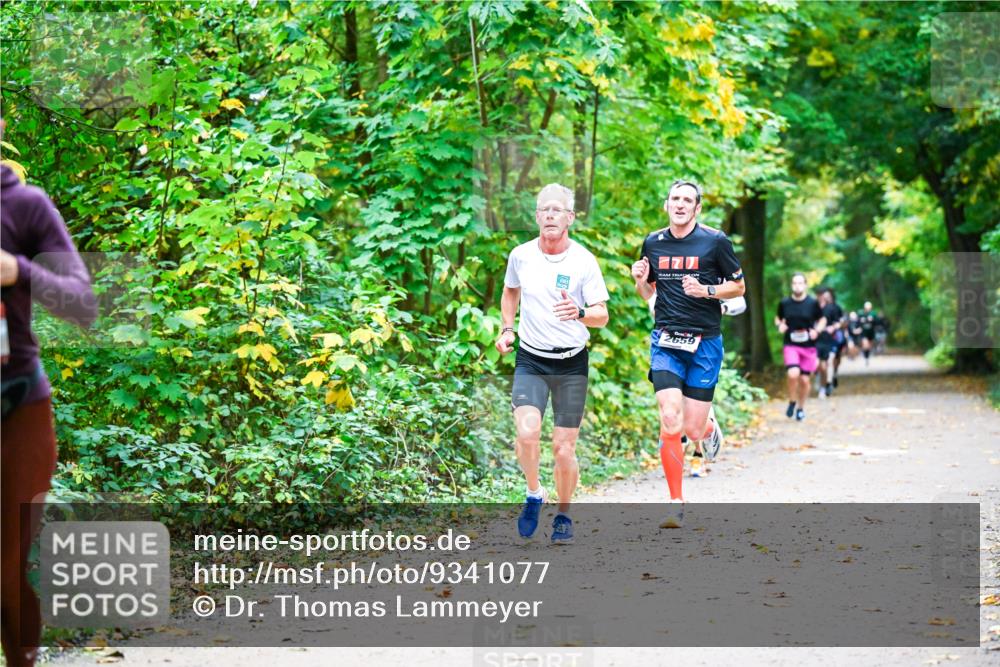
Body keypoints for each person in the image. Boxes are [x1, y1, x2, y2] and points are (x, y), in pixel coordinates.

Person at [1, 117, 98, 667]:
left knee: (7, 561)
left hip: (19, 405)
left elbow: (83, 304)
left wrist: (20, 271)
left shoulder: (27, 205)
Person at [496, 183, 609, 545]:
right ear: (536, 217)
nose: (549, 215)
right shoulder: (521, 255)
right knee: (527, 434)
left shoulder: (583, 261)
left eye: (557, 210)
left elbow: (602, 316)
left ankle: (563, 514)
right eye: (544, 209)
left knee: (563, 448)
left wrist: (578, 313)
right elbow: (511, 290)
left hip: (571, 363)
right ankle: (534, 493)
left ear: (570, 218)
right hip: (531, 359)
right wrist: (507, 328)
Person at [631, 180, 745, 528]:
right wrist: (639, 280)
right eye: (675, 199)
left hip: (705, 343)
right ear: (667, 204)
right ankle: (675, 503)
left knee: (692, 428)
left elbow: (738, 286)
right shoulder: (653, 242)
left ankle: (708, 427)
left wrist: (706, 289)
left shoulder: (715, 241)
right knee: (669, 417)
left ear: (697, 209)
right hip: (666, 340)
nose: (680, 205)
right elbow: (648, 293)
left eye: (688, 200)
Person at [775, 273, 826, 422]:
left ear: (805, 285)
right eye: (795, 283)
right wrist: (780, 325)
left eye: (800, 283)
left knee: (804, 380)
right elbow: (778, 317)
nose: (797, 286)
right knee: (792, 374)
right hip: (791, 344)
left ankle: (801, 408)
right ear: (792, 285)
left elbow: (822, 319)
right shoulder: (785, 303)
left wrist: (817, 331)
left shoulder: (812, 303)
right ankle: (792, 401)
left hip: (809, 346)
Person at [815, 287, 844, 398]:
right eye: (822, 295)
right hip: (817, 340)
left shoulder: (833, 308)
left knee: (830, 361)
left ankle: (828, 383)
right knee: (819, 364)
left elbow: (840, 321)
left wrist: (833, 327)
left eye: (827, 296)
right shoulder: (814, 308)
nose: (824, 298)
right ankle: (822, 380)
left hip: (831, 339)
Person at [857, 301, 876, 365]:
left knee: (869, 346)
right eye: (867, 308)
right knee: (865, 345)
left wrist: (872, 320)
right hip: (864, 332)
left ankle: (867, 357)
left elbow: (877, 322)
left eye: (869, 308)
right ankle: (865, 356)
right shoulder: (861, 314)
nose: (868, 309)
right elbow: (858, 322)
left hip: (871, 332)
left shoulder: (873, 314)